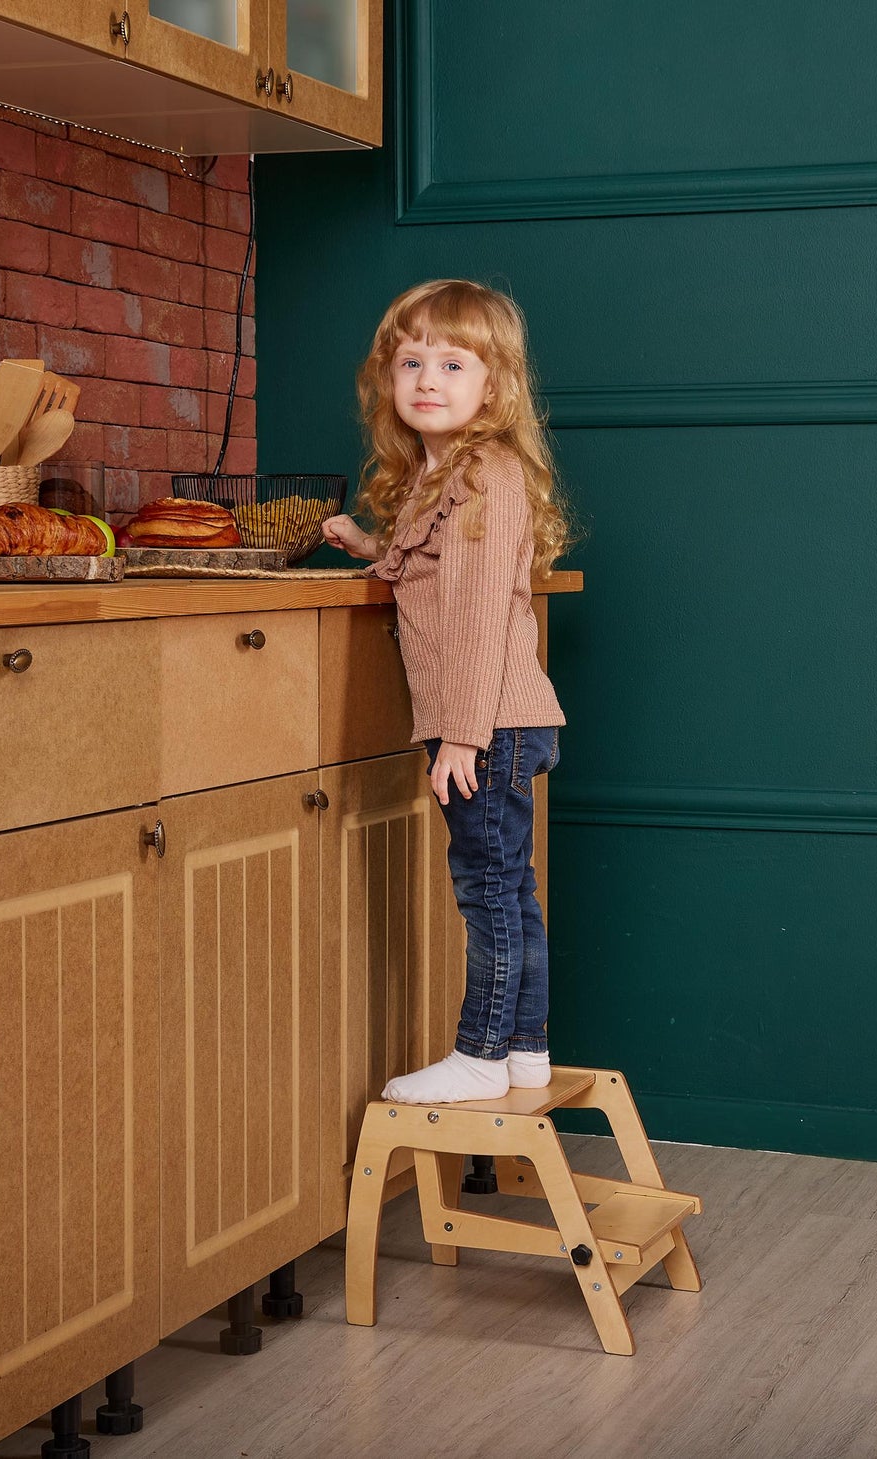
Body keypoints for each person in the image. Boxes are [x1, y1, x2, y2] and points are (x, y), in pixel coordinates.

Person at [321, 279, 574, 1104]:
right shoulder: (448, 475)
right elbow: (435, 567)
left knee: (487, 890)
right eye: (411, 362)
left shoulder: (481, 475)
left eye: (453, 364)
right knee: (512, 888)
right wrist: (372, 546)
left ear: (493, 387)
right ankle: (524, 1049)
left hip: (485, 722)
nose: (428, 379)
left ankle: (480, 1052)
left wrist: (461, 734)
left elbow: (475, 611)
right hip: (500, 719)